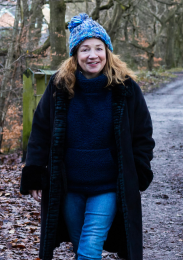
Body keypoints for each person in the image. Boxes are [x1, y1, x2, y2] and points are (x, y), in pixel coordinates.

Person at [20, 13, 155, 260]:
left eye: (98, 48)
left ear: (108, 51)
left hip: (108, 186)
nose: (92, 55)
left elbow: (143, 134)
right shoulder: (59, 86)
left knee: (89, 248)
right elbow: (40, 132)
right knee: (79, 243)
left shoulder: (126, 88)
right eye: (85, 49)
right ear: (75, 54)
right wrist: (35, 173)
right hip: (69, 186)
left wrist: (139, 169)